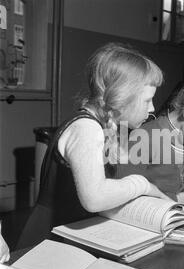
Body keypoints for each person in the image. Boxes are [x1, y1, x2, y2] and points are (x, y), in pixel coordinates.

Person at [17, 43, 170, 248]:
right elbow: (94, 198)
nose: (152, 108)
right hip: (50, 239)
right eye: (147, 100)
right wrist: (141, 184)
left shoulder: (107, 127)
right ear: (121, 97)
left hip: (75, 233)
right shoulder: (86, 129)